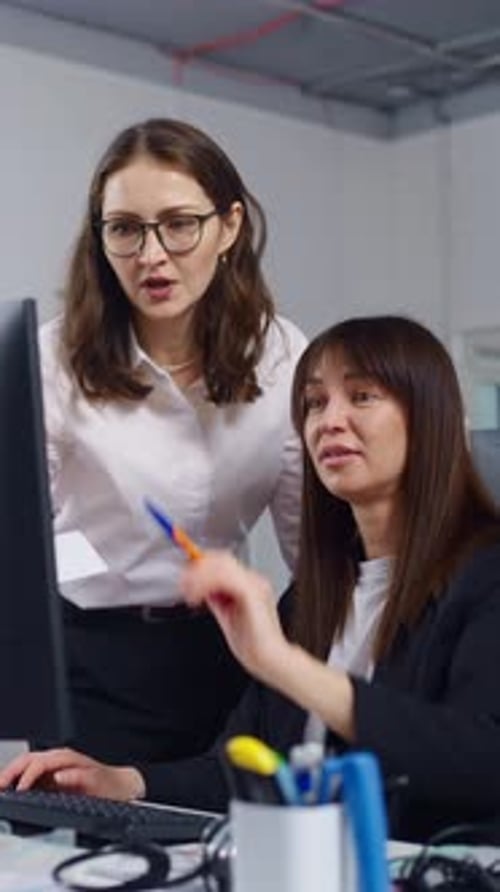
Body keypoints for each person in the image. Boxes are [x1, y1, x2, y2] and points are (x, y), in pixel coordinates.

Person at [5, 315, 500, 843]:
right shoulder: (313, 596)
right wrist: (121, 782)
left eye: (361, 397)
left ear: (431, 416)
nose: (328, 421)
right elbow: (240, 773)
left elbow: (480, 763)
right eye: (313, 403)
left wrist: (282, 664)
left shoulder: (485, 575)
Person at [35, 118, 307, 764]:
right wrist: (102, 561)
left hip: (229, 653)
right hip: (92, 661)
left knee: (228, 845)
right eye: (125, 229)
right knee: (95, 857)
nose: (151, 255)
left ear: (229, 227)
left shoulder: (282, 355)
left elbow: (311, 550)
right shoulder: (52, 358)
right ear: (101, 238)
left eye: (179, 223)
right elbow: (22, 539)